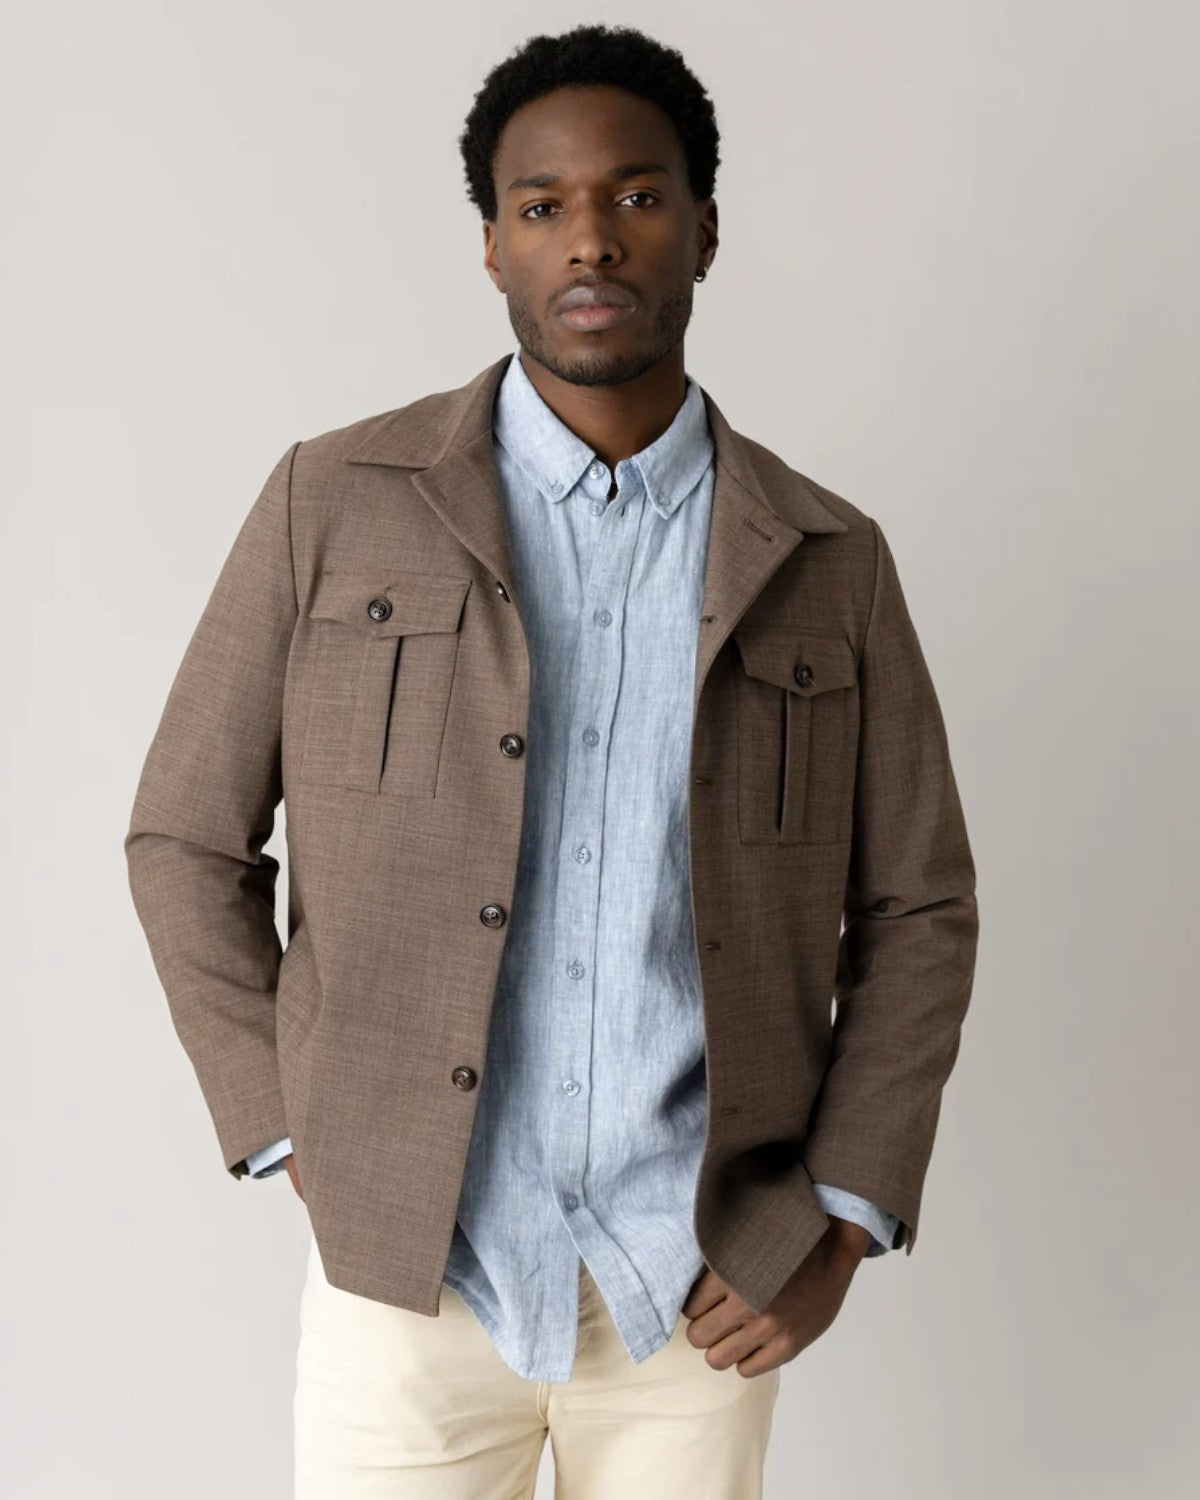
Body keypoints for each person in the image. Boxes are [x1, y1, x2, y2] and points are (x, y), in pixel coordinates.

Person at [125, 22, 979, 1499]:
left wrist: (841, 1218)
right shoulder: (332, 502)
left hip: (697, 1290)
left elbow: (919, 907)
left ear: (705, 229)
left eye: (638, 196)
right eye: (542, 205)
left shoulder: (830, 558)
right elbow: (184, 839)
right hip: (406, 1282)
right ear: (492, 245)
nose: (591, 239)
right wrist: (284, 1127)